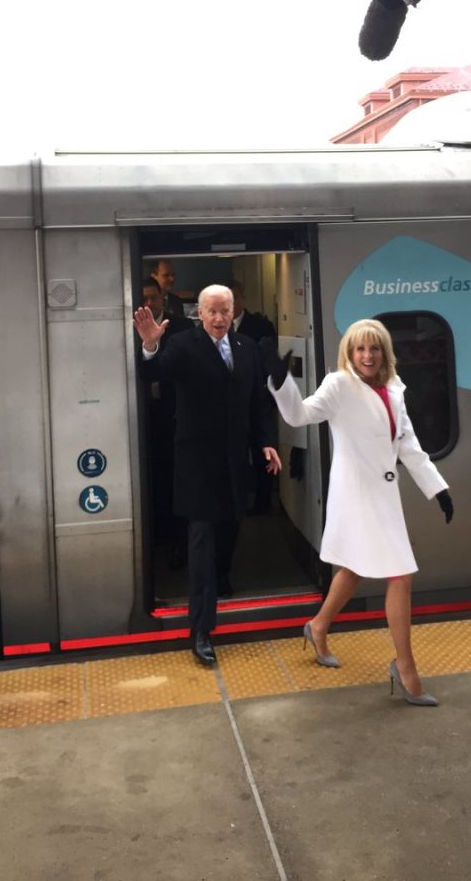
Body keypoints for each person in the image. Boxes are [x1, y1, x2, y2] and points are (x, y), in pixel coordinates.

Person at [263, 318, 454, 706]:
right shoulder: (339, 386)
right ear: (349, 353)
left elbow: (408, 446)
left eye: (375, 348)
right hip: (356, 496)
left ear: (385, 352)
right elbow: (299, 415)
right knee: (400, 574)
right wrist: (282, 382)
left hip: (382, 496)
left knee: (353, 568)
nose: (367, 356)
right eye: (360, 349)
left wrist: (439, 489)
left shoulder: (394, 389)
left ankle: (317, 626)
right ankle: (405, 667)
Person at [134, 285, 281, 666]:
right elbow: (154, 372)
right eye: (211, 311)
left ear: (234, 311)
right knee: (201, 542)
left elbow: (258, 402)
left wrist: (266, 442)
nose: (218, 318)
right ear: (199, 312)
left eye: (225, 311)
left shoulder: (247, 348)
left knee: (230, 529)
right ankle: (200, 629)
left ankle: (223, 580)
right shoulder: (182, 344)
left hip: (235, 461)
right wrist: (150, 346)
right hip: (197, 463)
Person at [140, 277, 192, 568]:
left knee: (174, 479)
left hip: (174, 414)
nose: (149, 304)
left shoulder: (181, 327)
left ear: (163, 297)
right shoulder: (132, 324)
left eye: (153, 298)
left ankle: (177, 543)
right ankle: (156, 536)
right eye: (144, 299)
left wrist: (156, 345)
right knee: (151, 478)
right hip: (144, 415)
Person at [226, 279, 278, 515]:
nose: (231, 303)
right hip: (227, 407)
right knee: (232, 455)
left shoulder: (260, 326)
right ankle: (235, 501)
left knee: (261, 454)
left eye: (234, 297)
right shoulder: (212, 329)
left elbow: (270, 361)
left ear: (242, 298)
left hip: (256, 401)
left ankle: (263, 503)